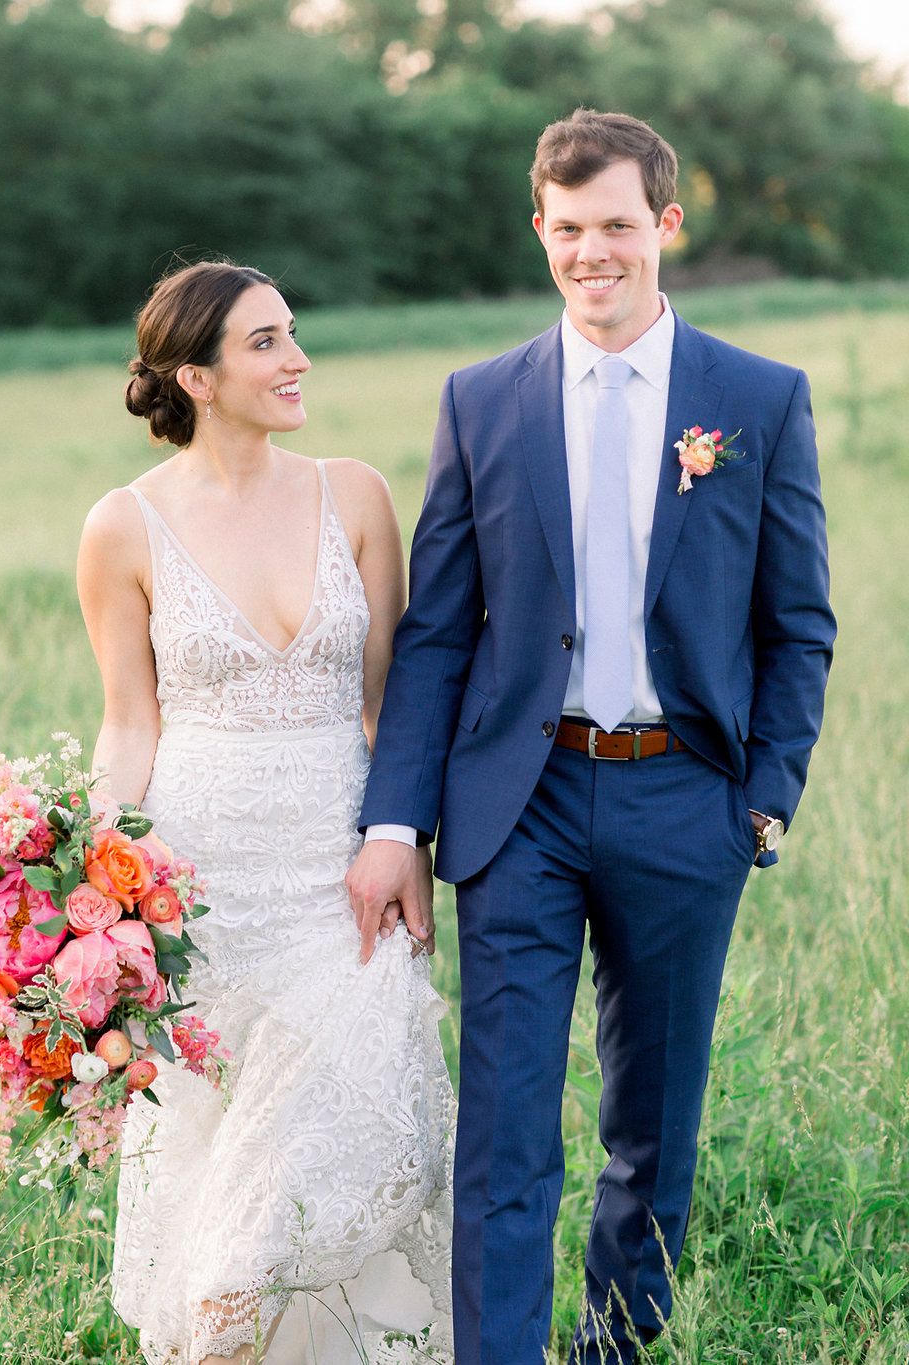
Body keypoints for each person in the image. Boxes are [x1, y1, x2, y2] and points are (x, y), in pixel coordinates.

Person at [346, 109, 836, 1364]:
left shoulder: (757, 400)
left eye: (616, 225)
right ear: (540, 231)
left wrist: (764, 796)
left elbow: (798, 623)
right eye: (567, 230)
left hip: (688, 802)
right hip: (521, 804)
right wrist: (395, 821)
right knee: (505, 1131)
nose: (591, 253)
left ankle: (617, 1345)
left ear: (665, 225)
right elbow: (440, 633)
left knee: (652, 1125)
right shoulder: (481, 402)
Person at [76, 260, 455, 1365]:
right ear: (195, 375)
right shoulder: (123, 526)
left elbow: (394, 701)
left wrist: (407, 842)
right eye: (265, 343)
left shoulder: (358, 494)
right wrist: (96, 906)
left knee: (287, 1196)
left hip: (346, 891)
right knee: (218, 1174)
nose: (297, 361)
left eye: (293, 333)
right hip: (202, 899)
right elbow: (128, 726)